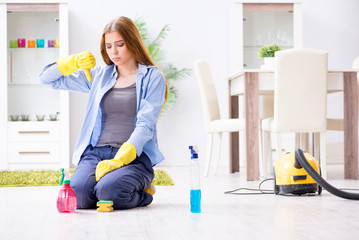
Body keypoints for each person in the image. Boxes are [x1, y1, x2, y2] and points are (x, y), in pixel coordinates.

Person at [39, 16, 167, 210]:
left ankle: (145, 192)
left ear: (132, 42)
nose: (113, 51)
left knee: (110, 193)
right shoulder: (99, 76)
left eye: (120, 44)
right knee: (79, 197)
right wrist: (69, 63)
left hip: (132, 156)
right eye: (108, 46)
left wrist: (120, 159)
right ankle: (110, 184)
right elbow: (47, 80)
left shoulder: (152, 77)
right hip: (95, 153)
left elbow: (146, 123)